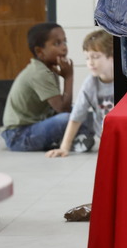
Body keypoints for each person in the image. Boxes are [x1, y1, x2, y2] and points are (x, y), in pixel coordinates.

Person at [1, 23, 87, 151]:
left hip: (33, 127)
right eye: (57, 43)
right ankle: (78, 139)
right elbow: (62, 109)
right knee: (67, 118)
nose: (64, 47)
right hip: (18, 136)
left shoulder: (48, 68)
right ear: (39, 51)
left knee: (79, 110)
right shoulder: (40, 73)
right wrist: (69, 78)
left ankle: (78, 139)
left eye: (64, 42)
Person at [46, 30, 115, 158]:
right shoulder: (90, 83)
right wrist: (64, 147)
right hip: (106, 138)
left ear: (112, 57)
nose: (90, 62)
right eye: (87, 58)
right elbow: (76, 116)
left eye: (95, 57)